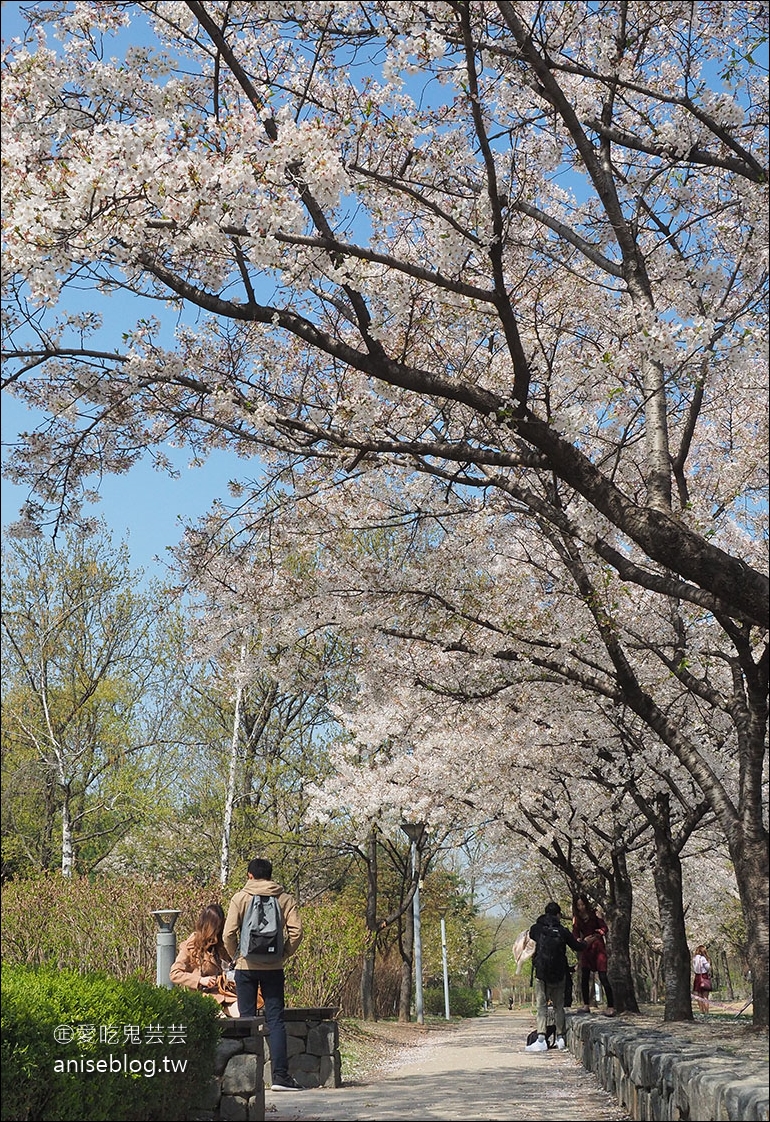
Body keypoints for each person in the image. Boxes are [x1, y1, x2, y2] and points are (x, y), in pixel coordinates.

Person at [224, 857, 304, 1092]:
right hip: (274, 968)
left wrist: (236, 956)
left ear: (249, 875)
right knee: (275, 1020)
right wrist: (283, 953)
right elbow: (296, 932)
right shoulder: (284, 898)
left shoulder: (240, 897)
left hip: (246, 968)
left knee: (246, 1021)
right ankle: (280, 1077)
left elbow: (228, 933)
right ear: (270, 875)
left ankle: (246, 1079)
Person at [525, 901, 594, 1053]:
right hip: (559, 973)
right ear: (558, 915)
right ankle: (561, 1038)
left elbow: (531, 934)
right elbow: (577, 947)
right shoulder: (562, 931)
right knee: (558, 1007)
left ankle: (541, 1038)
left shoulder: (537, 929)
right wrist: (587, 942)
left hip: (542, 973)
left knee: (541, 1006)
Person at [170, 902, 239, 1018]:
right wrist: (200, 980)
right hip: (203, 997)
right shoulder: (191, 946)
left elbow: (229, 967)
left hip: (225, 994)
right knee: (221, 1020)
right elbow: (174, 974)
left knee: (245, 1014)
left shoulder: (220, 947)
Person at [572, 893, 615, 1016]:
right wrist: (578, 940)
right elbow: (575, 933)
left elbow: (604, 928)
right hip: (586, 948)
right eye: (578, 905)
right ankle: (586, 1005)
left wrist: (596, 935)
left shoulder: (595, 913)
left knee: (603, 976)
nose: (581, 907)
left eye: (583, 904)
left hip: (598, 947)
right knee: (585, 976)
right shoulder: (576, 918)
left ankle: (611, 1006)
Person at [692, 944, 712, 1014]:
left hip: (697, 977)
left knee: (699, 996)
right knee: (705, 996)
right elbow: (707, 967)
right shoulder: (703, 958)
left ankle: (701, 1010)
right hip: (704, 977)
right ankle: (707, 1011)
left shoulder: (694, 958)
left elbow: (694, 968)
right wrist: (709, 962)